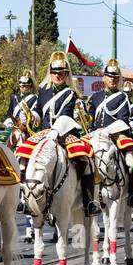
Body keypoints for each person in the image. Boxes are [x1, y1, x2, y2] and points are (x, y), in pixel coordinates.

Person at [35, 50, 101, 216]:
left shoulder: (70, 93)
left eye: (62, 73)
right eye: (55, 72)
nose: (58, 76)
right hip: (44, 132)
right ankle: (25, 197)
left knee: (86, 157)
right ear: (50, 72)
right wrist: (32, 116)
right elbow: (38, 109)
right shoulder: (43, 90)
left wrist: (54, 132)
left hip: (65, 134)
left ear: (66, 74)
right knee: (23, 153)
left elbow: (65, 115)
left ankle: (88, 201)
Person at [88, 59, 133, 206]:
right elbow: (90, 120)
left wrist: (106, 131)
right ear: (104, 77)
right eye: (109, 76)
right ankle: (85, 195)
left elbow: (123, 121)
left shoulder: (123, 97)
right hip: (95, 135)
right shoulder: (95, 97)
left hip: (116, 135)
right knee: (79, 156)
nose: (112, 79)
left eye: (115, 76)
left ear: (118, 79)